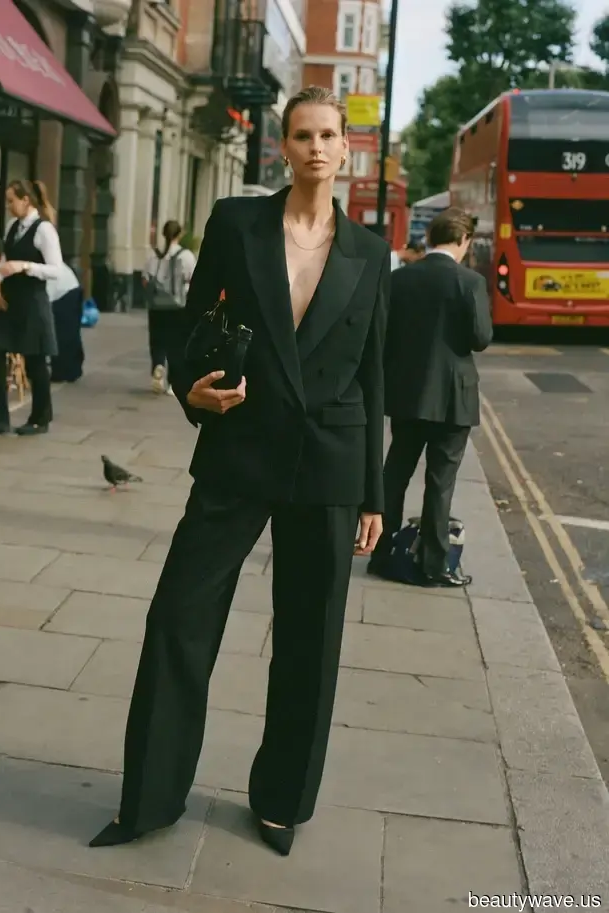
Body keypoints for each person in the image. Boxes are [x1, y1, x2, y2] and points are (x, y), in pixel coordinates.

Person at [89, 85, 390, 858]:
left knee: (309, 640)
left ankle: (282, 802)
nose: (316, 147)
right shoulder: (236, 222)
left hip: (329, 463)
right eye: (302, 135)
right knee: (178, 616)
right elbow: (196, 326)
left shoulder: (369, 251)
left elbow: (375, 373)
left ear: (345, 146)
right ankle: (149, 798)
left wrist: (374, 493)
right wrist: (193, 389)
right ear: (282, 147)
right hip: (238, 446)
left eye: (329, 134)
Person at [368, 207, 493, 588]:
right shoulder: (469, 282)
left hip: (408, 393)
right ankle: (434, 564)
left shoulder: (401, 278)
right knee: (441, 481)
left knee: (396, 473)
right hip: (454, 398)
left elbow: (383, 335)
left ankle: (381, 549)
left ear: (429, 237)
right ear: (464, 241)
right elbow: (480, 339)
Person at [0, 179, 62, 436]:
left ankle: (40, 418)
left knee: (35, 361)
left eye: (12, 200)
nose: (9, 206)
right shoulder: (13, 227)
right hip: (9, 302)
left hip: (32, 302)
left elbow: (56, 269)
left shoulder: (44, 230)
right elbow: (4, 262)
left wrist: (25, 266)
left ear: (26, 200)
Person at [142, 220, 196, 394]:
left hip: (156, 306)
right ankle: (173, 383)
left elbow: (145, 280)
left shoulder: (153, 256)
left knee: (157, 341)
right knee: (177, 344)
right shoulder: (186, 255)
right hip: (178, 307)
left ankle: (158, 367)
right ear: (179, 234)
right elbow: (193, 278)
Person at [47, 262, 84, 383]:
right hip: (69, 288)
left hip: (65, 293)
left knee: (63, 334)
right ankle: (71, 370)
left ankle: (64, 371)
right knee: (69, 332)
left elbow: (48, 295)